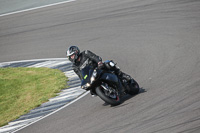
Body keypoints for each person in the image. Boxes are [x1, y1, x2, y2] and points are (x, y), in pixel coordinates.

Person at [66, 46, 132, 94]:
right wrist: (83, 82)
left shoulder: (85, 53)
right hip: (91, 75)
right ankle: (106, 91)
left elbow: (95, 57)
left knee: (109, 64)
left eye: (72, 55)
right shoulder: (74, 66)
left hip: (98, 67)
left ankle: (121, 74)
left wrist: (99, 62)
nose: (71, 58)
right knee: (92, 91)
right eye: (70, 57)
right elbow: (80, 76)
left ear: (76, 52)